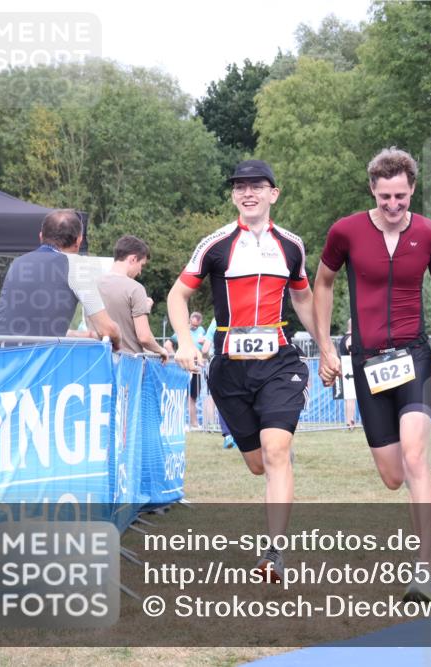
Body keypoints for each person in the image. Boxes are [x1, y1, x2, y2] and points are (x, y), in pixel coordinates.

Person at [313, 147, 431, 602]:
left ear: (413, 190)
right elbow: (323, 284)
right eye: (385, 196)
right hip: (367, 361)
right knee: (393, 476)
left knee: (415, 458)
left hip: (414, 356)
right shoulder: (345, 232)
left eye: (402, 196)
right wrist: (324, 347)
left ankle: (424, 569)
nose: (394, 205)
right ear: (372, 190)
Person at [167, 159, 330, 580]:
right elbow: (177, 296)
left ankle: (275, 552)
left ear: (274, 193)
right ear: (234, 195)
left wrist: (326, 348)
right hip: (229, 369)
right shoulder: (215, 245)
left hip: (278, 362)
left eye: (257, 186)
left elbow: (304, 298)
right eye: (240, 187)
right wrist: (186, 341)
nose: (248, 192)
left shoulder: (291, 245)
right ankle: (277, 454)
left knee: (275, 453)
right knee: (258, 464)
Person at [0, 209, 120, 347]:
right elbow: (107, 329)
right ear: (78, 241)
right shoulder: (77, 265)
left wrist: (81, 335)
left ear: (40, 237)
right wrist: (118, 340)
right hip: (34, 360)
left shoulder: (18, 263)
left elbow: (29, 325)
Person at [93, 235, 168, 359]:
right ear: (133, 259)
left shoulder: (93, 285)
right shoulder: (135, 289)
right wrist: (161, 350)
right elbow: (144, 338)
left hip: (97, 361)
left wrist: (144, 308)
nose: (140, 272)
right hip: (127, 366)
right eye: (142, 265)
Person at [165, 311, 210, 428]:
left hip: (196, 368)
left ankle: (193, 423)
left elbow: (204, 349)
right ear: (189, 320)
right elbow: (167, 345)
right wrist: (175, 357)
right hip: (184, 368)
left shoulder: (201, 331)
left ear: (200, 323)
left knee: (193, 397)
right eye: (192, 324)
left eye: (196, 325)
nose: (194, 327)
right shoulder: (182, 332)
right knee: (181, 395)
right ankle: (184, 423)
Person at [337, 319, 358, 429]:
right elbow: (353, 354)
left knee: (348, 398)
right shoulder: (351, 338)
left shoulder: (343, 339)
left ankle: (348, 421)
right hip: (351, 369)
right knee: (351, 398)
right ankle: (350, 422)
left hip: (345, 368)